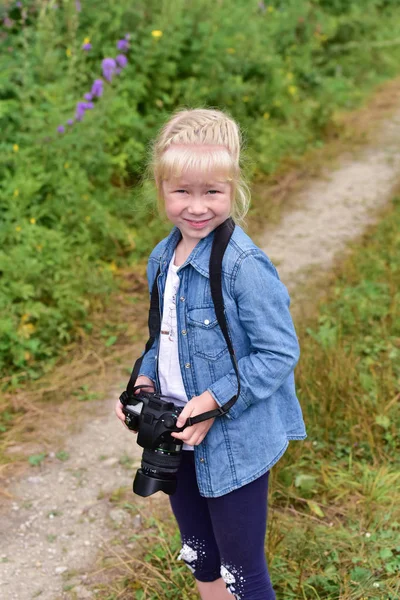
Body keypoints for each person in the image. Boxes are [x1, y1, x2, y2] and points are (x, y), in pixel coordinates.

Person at [116, 108, 307, 600]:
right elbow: (162, 338)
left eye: (212, 193)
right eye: (182, 191)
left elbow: (278, 350)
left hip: (234, 442)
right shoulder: (162, 258)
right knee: (201, 558)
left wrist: (213, 400)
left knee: (242, 572)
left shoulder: (243, 266)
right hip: (176, 435)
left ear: (233, 190)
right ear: (160, 190)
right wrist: (143, 381)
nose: (197, 207)